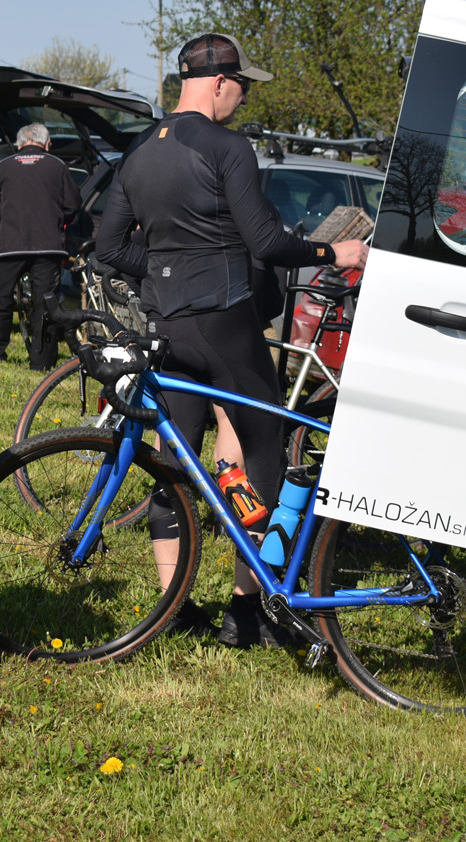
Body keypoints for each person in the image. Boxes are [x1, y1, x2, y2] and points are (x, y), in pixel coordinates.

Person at [95, 33, 368, 647]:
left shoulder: (140, 150)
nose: (242, 99)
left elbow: (109, 247)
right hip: (225, 320)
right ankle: (251, 612)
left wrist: (167, 265)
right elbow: (268, 243)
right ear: (218, 81)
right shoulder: (227, 147)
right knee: (264, 449)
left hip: (169, 324)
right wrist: (335, 250)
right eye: (242, 86)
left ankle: (170, 609)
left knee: (175, 464)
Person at [0, 123, 80, 370]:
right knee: (45, 302)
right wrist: (57, 221)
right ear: (47, 144)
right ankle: (42, 361)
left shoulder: (3, 166)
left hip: (11, 245)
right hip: (48, 246)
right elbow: (72, 206)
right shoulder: (57, 166)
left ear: (18, 145)